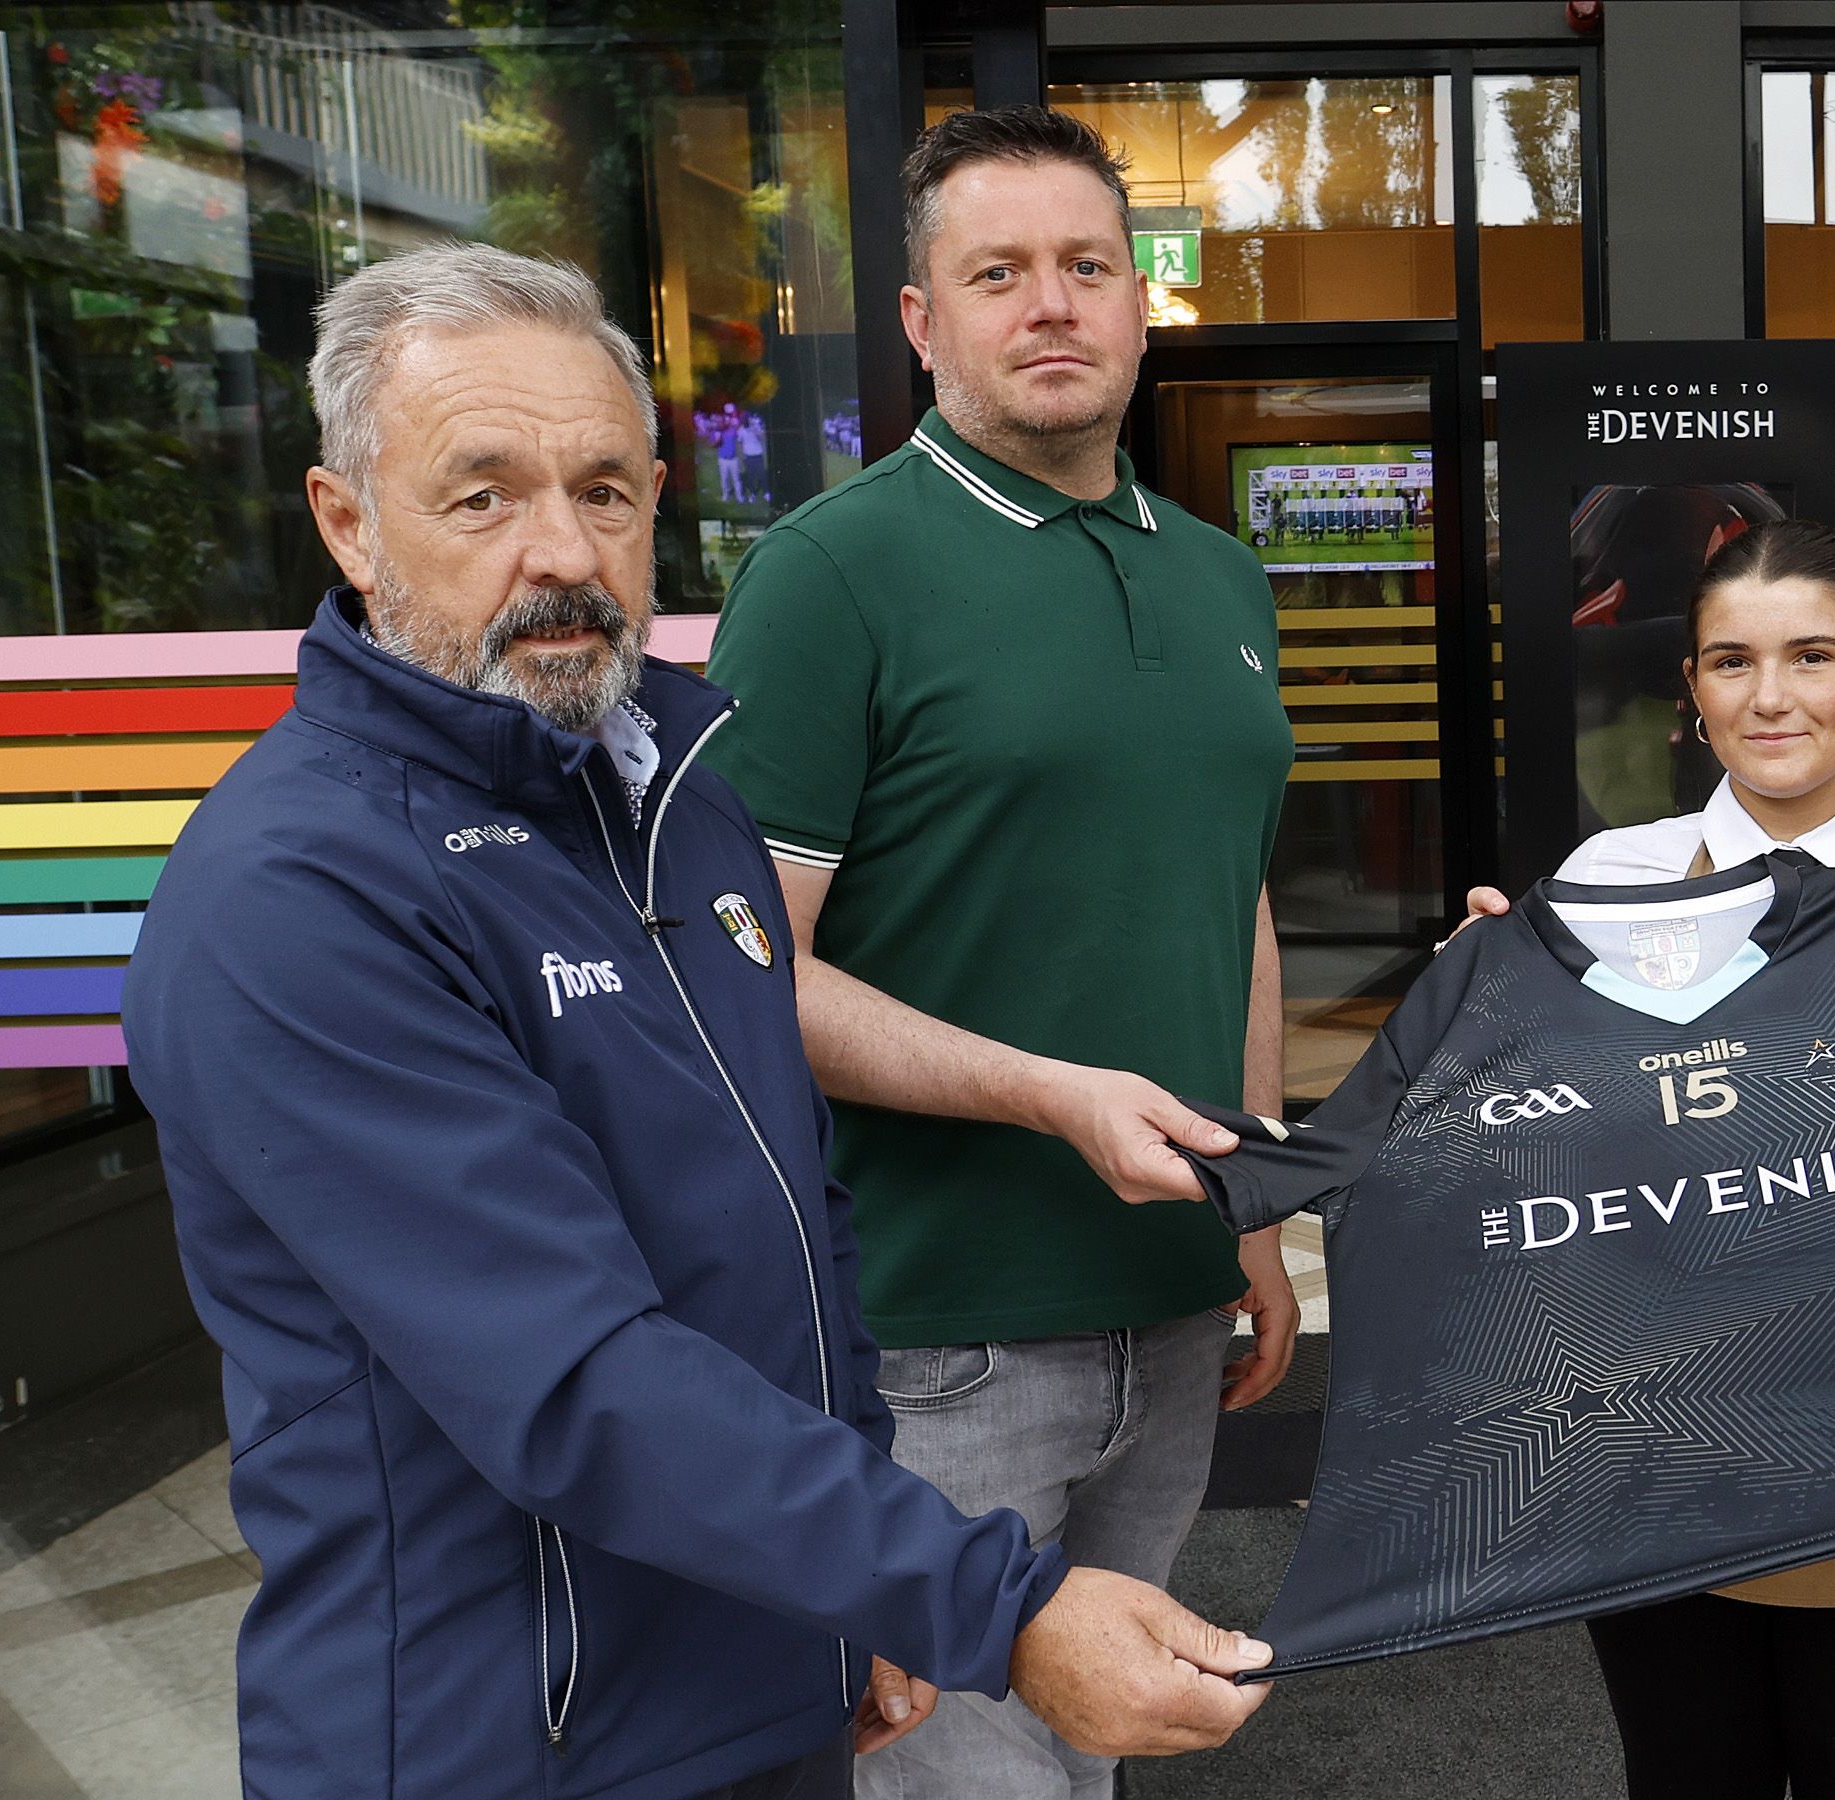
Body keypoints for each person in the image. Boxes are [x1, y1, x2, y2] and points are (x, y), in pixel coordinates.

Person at [120, 242, 1266, 1800]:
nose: (560, 551)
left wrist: (863, 1587)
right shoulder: (300, 894)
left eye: (604, 490)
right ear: (348, 522)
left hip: (765, 1679)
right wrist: (987, 1600)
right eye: (482, 495)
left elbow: (799, 1223)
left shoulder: (677, 801)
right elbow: (573, 1378)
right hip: (509, 1734)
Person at [699, 105, 1298, 1800]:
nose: (1052, 305)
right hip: (939, 1337)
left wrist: (1248, 1211)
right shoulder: (834, 573)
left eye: (1088, 267)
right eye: (999, 272)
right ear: (923, 322)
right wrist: (1046, 1096)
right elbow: (748, 973)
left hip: (1169, 1306)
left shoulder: (1223, 580)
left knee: (1087, 1759)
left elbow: (1228, 899)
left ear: (1141, 301)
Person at [1461, 519, 1835, 1797]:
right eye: (1730, 662)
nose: (1769, 699)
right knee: (1684, 1775)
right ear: (1691, 691)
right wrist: (1477, 1023)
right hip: (1664, 1449)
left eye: (1813, 656)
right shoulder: (1609, 881)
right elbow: (1549, 1161)